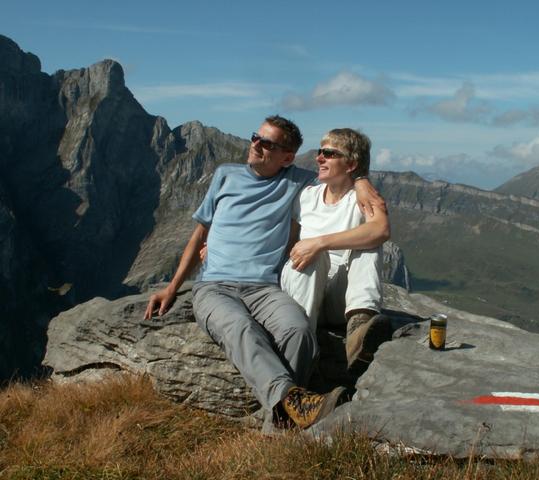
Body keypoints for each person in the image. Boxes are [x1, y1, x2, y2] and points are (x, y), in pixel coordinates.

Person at [144, 115, 384, 429]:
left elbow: (340, 173)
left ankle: (278, 427)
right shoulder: (225, 175)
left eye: (267, 143)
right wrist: (173, 286)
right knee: (241, 327)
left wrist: (362, 180)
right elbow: (199, 234)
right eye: (256, 137)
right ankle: (293, 405)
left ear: (286, 157)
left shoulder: (297, 181)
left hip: (265, 288)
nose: (255, 145)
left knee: (298, 331)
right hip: (214, 286)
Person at [280, 128, 391, 373]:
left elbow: (381, 230)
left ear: (350, 164)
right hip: (303, 292)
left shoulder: (361, 199)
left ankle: (359, 328)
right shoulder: (306, 196)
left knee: (369, 245)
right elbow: (288, 244)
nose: (319, 157)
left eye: (329, 153)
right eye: (320, 151)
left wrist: (320, 242)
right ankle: (301, 343)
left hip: (341, 299)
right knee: (308, 255)